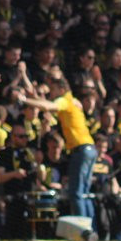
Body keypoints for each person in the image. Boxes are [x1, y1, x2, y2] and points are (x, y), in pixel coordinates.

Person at [16, 73, 97, 221]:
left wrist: (24, 100)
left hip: (81, 149)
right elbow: (45, 104)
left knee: (76, 193)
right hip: (90, 148)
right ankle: (91, 227)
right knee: (84, 193)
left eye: (52, 90)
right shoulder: (73, 101)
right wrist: (35, 98)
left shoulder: (65, 100)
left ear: (60, 89)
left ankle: (83, 229)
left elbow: (48, 106)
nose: (51, 94)